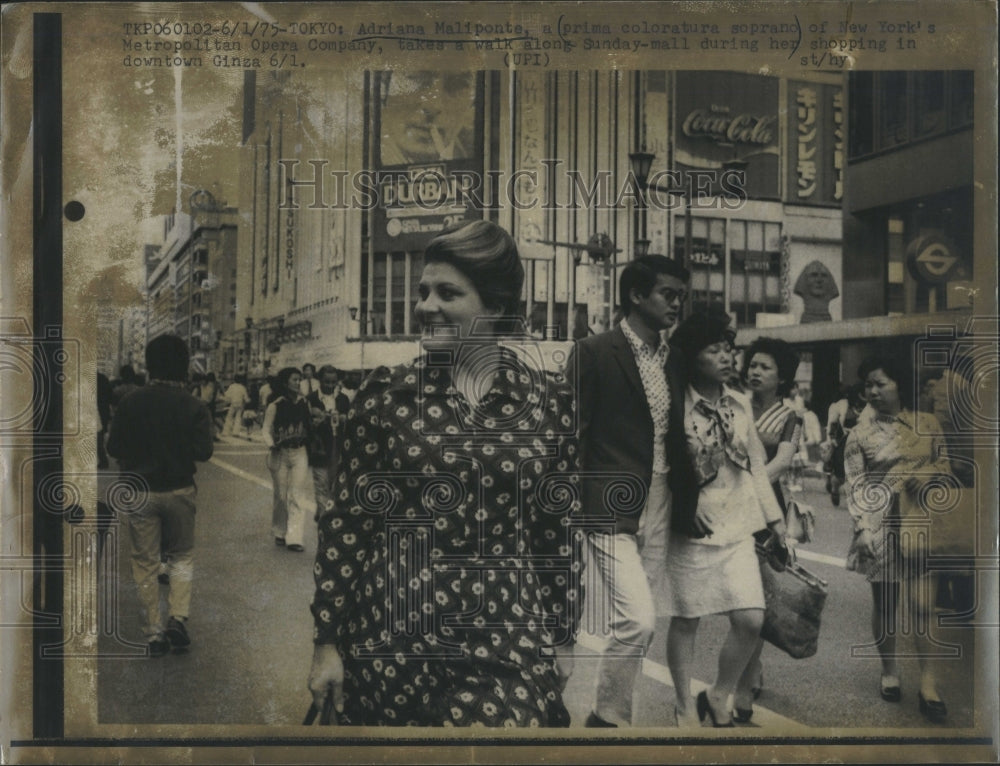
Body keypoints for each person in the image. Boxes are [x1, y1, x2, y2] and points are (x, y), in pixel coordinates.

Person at [307, 220, 581, 726]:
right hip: (388, 640)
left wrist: (563, 635)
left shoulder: (547, 404)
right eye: (423, 291)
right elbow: (347, 528)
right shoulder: (385, 397)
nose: (425, 306)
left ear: (496, 307)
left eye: (447, 293)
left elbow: (555, 532)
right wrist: (327, 642)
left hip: (505, 638)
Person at [566, 254, 690, 728]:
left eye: (682, 296)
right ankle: (606, 717)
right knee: (638, 620)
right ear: (636, 295)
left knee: (641, 624)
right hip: (608, 504)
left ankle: (615, 720)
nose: (677, 304)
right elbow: (568, 432)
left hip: (663, 500)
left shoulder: (674, 358)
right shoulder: (595, 351)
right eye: (668, 294)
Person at [663, 311, 788, 727]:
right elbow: (662, 465)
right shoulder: (671, 404)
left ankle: (719, 692)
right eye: (714, 349)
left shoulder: (739, 406)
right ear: (691, 356)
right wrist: (684, 505)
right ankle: (683, 704)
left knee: (751, 618)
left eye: (729, 349)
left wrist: (776, 523)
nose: (727, 357)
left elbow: (755, 465)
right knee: (687, 620)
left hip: (738, 526)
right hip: (692, 530)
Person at [843, 349, 953, 722]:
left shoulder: (928, 423)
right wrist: (861, 529)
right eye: (867, 385)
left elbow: (946, 466)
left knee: (923, 607)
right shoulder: (859, 434)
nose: (871, 391)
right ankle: (889, 670)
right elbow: (855, 485)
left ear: (898, 384)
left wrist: (929, 477)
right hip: (880, 527)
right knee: (886, 606)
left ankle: (928, 684)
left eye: (880, 383)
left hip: (922, 522)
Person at [106, 335, 214, 656]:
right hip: (180, 489)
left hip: (140, 491)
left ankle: (153, 631)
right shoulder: (194, 405)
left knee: (145, 560)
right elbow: (204, 451)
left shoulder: (130, 402)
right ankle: (177, 618)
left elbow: (114, 448)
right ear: (183, 365)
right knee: (181, 556)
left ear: (149, 365)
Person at [732, 337, 802, 722]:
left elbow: (782, 462)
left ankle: (743, 685)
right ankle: (748, 667)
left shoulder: (791, 417)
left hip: (765, 514)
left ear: (782, 377)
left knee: (755, 599)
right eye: (752, 365)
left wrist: (747, 484)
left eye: (765, 367)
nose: (755, 371)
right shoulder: (732, 404)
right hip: (728, 509)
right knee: (738, 603)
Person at [262, 367, 315, 552]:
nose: (298, 382)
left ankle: (294, 537)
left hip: (300, 452)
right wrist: (271, 444)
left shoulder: (304, 402)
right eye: (294, 379)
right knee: (281, 495)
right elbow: (266, 429)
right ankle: (279, 531)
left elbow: (310, 426)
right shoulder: (275, 405)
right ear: (285, 382)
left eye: (299, 379)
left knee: (297, 494)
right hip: (280, 453)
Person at [305, 365, 347, 520]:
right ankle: (325, 518)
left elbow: (350, 421)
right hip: (320, 447)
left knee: (334, 483)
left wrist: (343, 418)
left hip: (338, 447)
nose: (330, 386)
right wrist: (317, 420)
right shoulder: (311, 399)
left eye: (333, 382)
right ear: (319, 381)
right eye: (326, 382)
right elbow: (306, 424)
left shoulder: (343, 399)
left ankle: (323, 510)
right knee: (321, 483)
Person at [97, 372, 113, 469]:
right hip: (103, 410)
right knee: (100, 436)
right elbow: (110, 396)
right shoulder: (103, 378)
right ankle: (103, 460)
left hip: (91, 410)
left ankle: (103, 461)